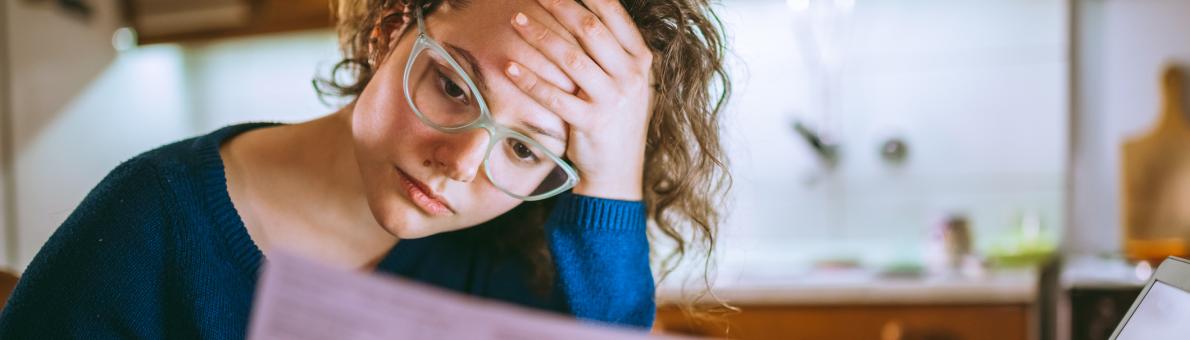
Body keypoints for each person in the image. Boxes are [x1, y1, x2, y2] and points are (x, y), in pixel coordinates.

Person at [0, 0, 731, 337]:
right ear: (389, 31)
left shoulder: (507, 266)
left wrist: (610, 181)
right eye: (452, 85)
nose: (457, 166)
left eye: (525, 148)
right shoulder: (148, 221)